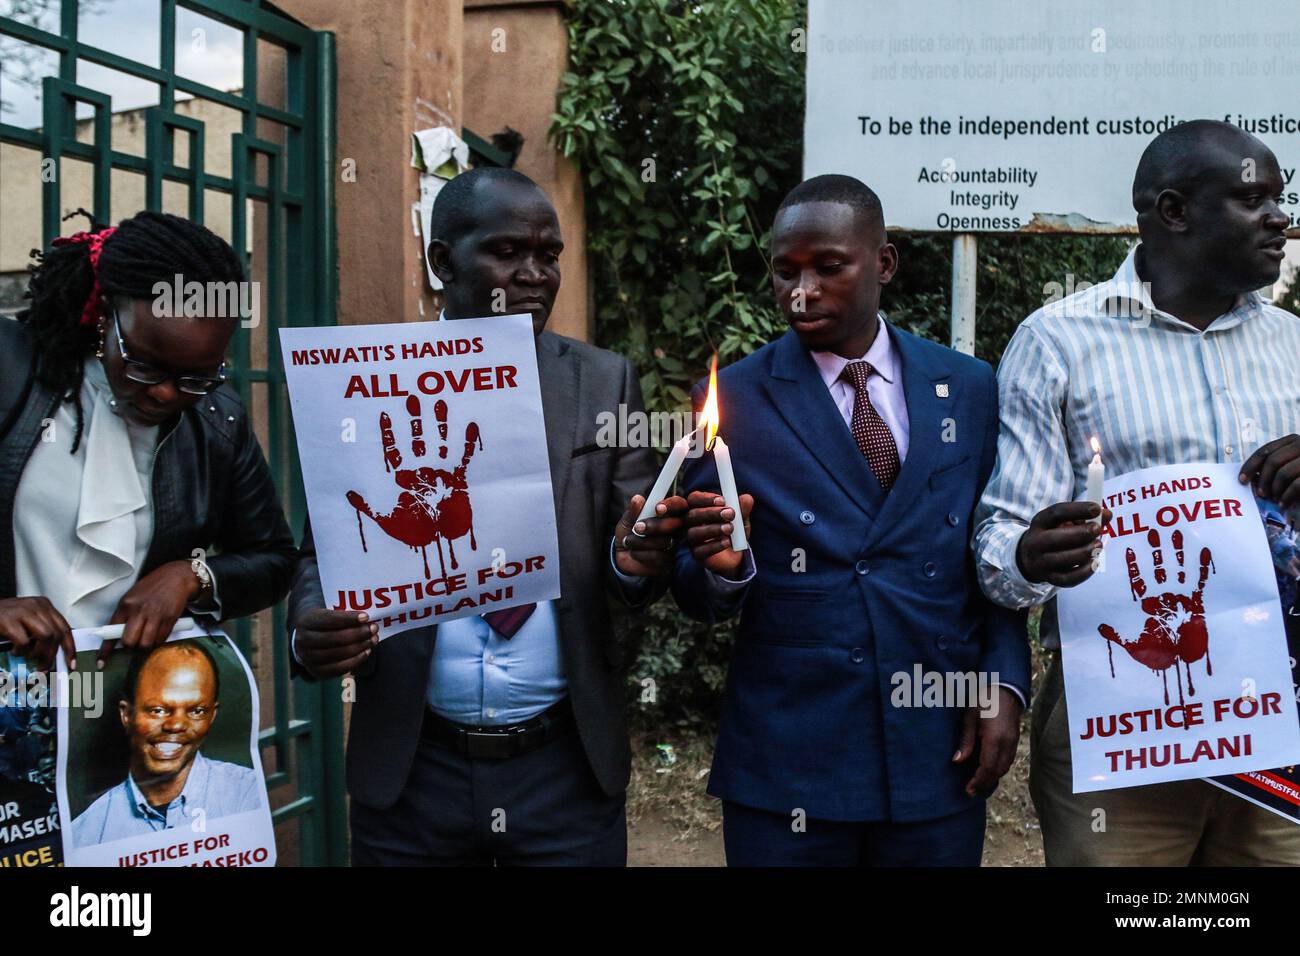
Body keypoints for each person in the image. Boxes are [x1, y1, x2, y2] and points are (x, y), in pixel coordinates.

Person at [288, 168, 686, 866]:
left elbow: (635, 557)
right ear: (443, 261)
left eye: (549, 255)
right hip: (414, 771)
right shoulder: (368, 378)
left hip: (565, 769)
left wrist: (634, 558)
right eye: (509, 252)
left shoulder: (602, 380)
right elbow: (321, 552)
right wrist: (310, 630)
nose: (535, 274)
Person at [673, 174, 1030, 866]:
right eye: (784, 271)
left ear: (884, 264)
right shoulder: (731, 400)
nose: (801, 290)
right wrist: (723, 568)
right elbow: (695, 581)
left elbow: (991, 551)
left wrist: (1005, 678)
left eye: (828, 266)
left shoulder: (969, 386)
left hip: (936, 750)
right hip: (790, 762)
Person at [973, 120, 1300, 865]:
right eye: (1254, 199)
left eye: (1279, 199)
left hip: (1281, 722)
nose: (1280, 218)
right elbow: (997, 544)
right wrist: (1032, 552)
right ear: (1174, 212)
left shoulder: (1295, 345)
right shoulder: (1058, 342)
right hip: (1120, 726)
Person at [0, 210, 296, 670]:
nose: (164, 394)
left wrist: (192, 575)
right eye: (144, 366)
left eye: (196, 378)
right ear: (105, 318)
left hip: (130, 713)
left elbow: (273, 560)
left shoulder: (218, 419)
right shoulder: (10, 369)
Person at [72, 639, 261, 845]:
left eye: (197, 711)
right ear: (127, 715)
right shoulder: (87, 831)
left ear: (212, 716)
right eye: (158, 710)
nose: (177, 725)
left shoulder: (247, 795)